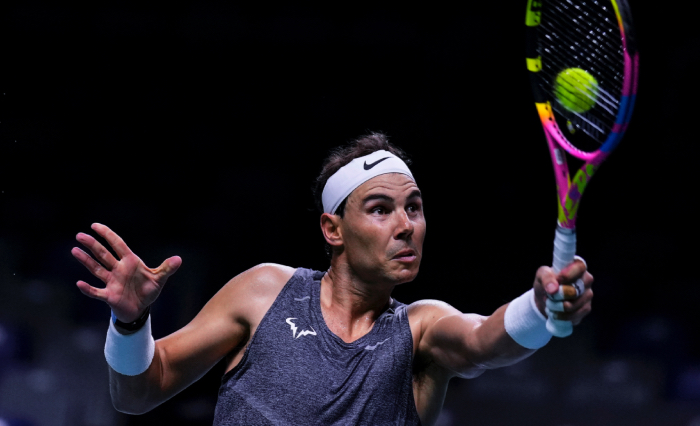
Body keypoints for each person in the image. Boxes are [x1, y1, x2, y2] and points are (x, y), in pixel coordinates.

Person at [72, 132, 593, 426]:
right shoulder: (264, 292)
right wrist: (131, 322)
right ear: (333, 229)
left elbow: (484, 341)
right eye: (380, 209)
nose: (406, 225)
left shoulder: (420, 331)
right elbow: (137, 393)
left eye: (414, 207)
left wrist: (540, 310)